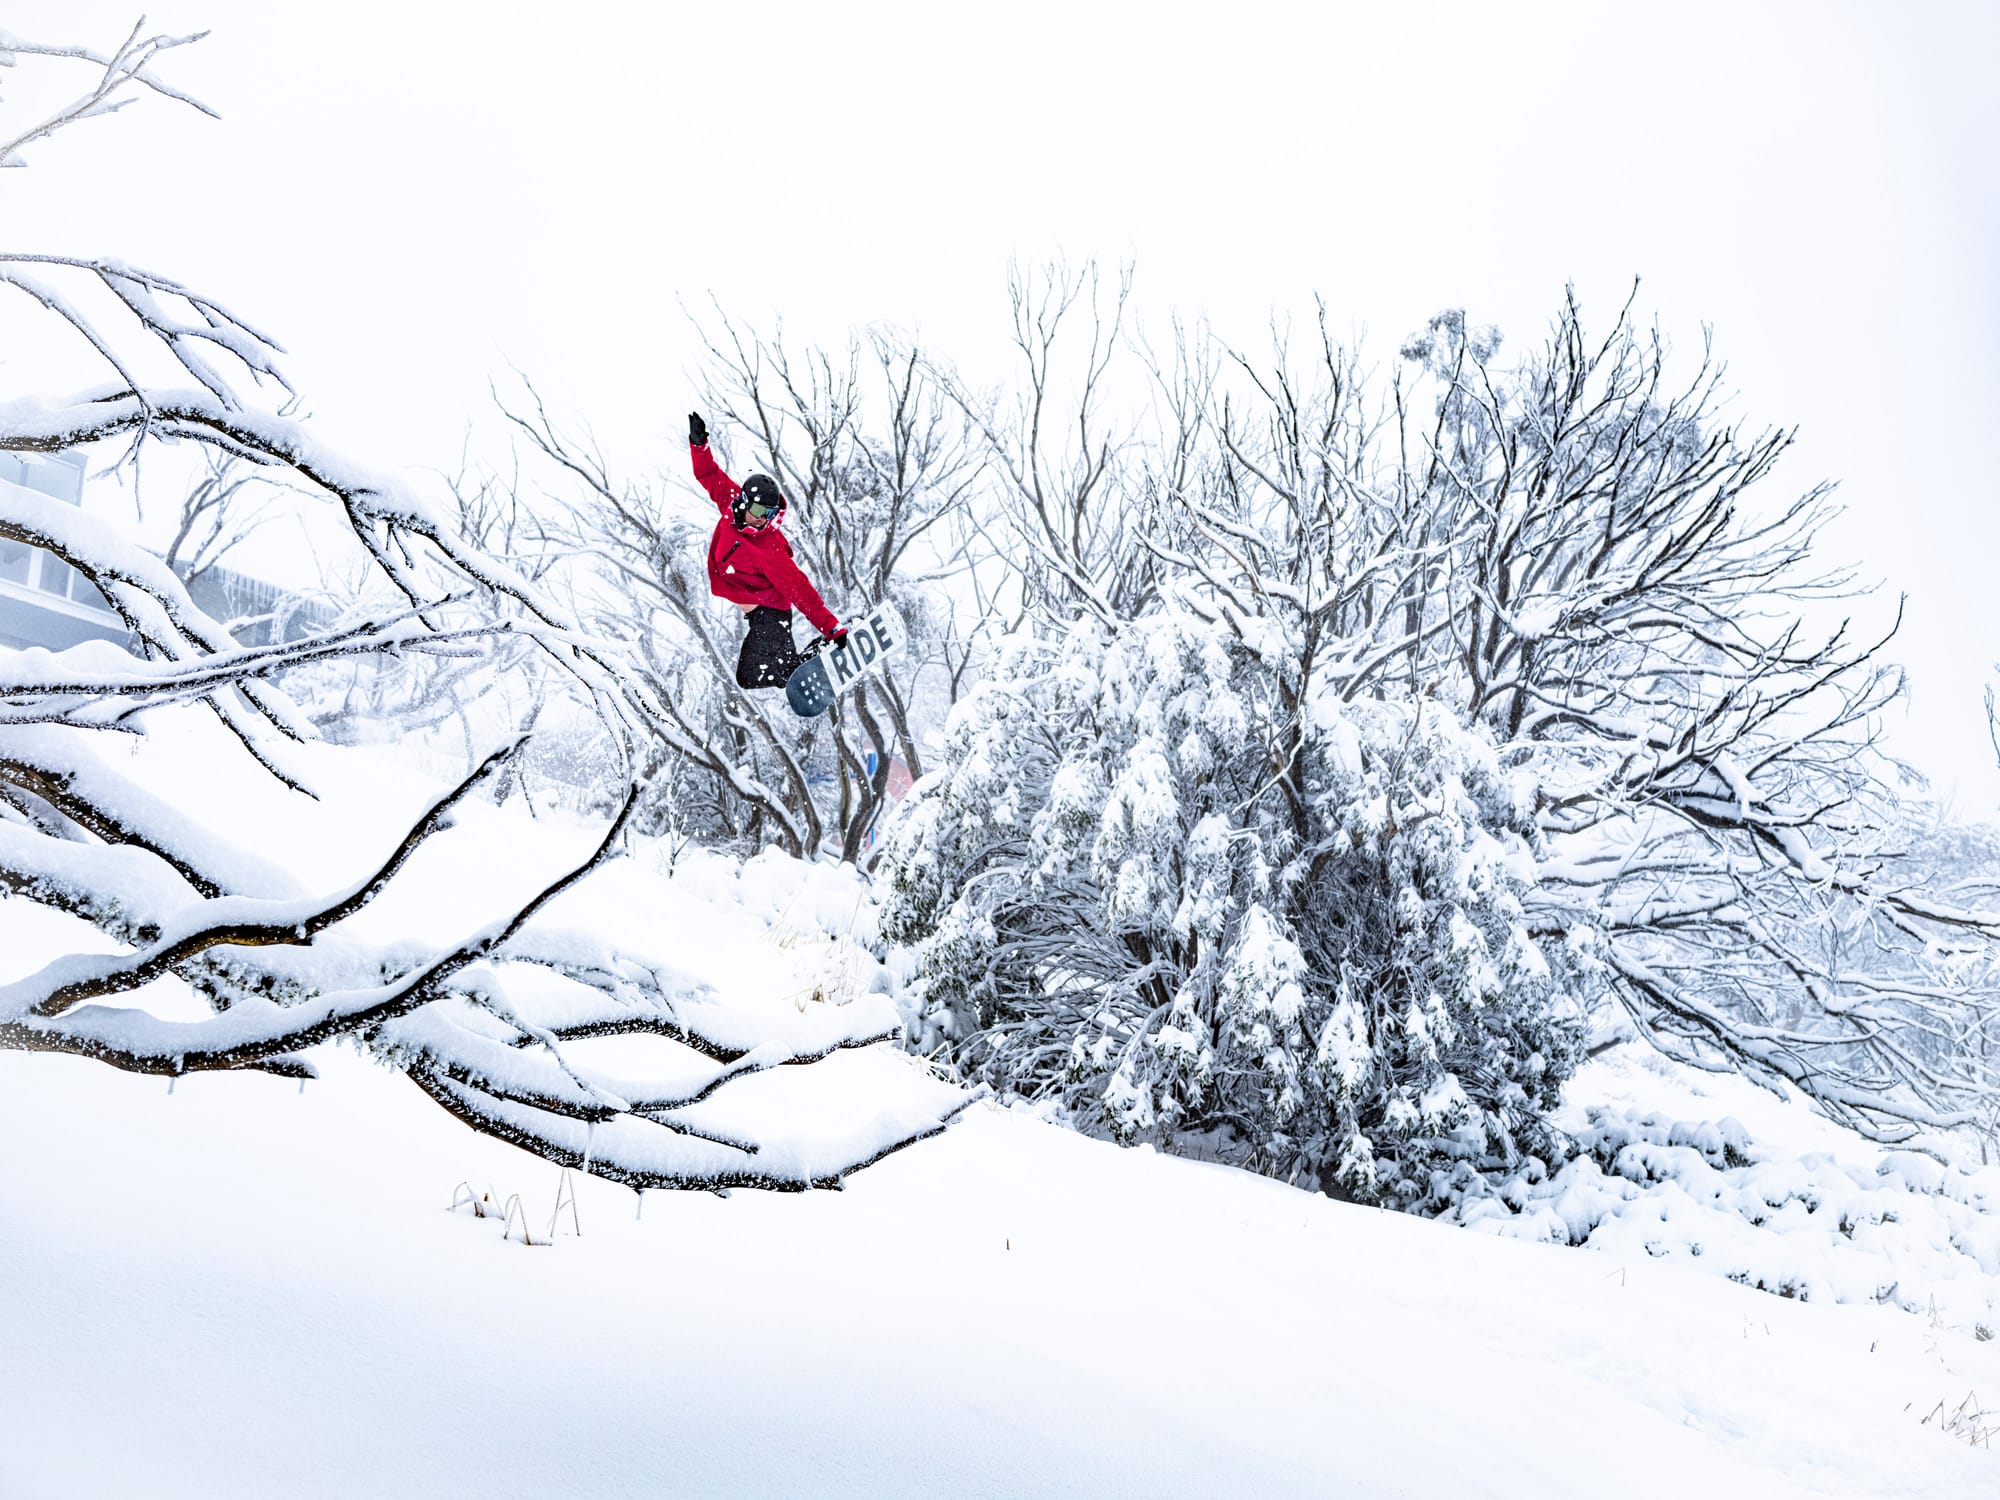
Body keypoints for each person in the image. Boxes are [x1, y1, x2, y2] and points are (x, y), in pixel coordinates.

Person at [687, 410, 845, 690]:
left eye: (769, 514)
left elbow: (800, 590)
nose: (762, 520)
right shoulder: (731, 503)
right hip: (758, 613)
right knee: (765, 675)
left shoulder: (769, 546)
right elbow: (708, 475)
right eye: (759, 511)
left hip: (771, 616)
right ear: (744, 502)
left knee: (753, 677)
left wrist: (830, 626)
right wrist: (699, 445)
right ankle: (809, 660)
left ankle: (825, 650)